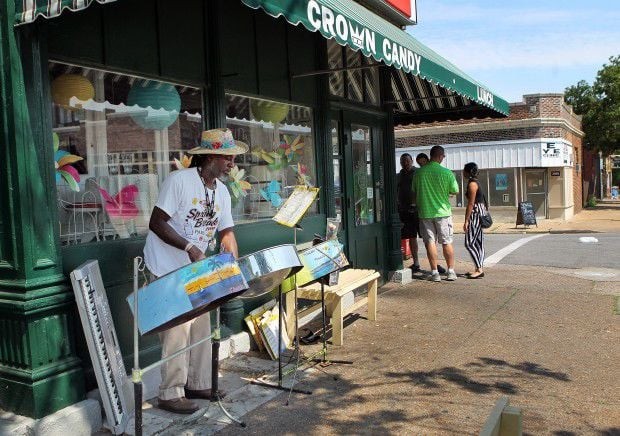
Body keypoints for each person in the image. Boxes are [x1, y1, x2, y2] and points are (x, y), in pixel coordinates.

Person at [143, 128, 247, 414]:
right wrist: (189, 246)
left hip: (197, 269)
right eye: (228, 157)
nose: (232, 164)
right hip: (167, 266)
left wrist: (231, 267)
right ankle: (170, 392)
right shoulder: (179, 181)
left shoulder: (222, 191)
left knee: (202, 327)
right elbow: (156, 222)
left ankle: (199, 383)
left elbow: (227, 232)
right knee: (177, 332)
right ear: (211, 156)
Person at [413, 145, 459, 282]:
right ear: (440, 156)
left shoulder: (419, 173)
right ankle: (450, 271)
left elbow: (414, 191)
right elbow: (455, 190)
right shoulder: (447, 173)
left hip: (425, 212)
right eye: (443, 156)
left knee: (430, 242)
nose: (443, 158)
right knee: (446, 241)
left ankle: (434, 273)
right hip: (443, 213)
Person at [414, 152, 446, 274]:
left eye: (423, 162)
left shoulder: (420, 173)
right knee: (429, 241)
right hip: (424, 211)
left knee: (434, 241)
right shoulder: (419, 174)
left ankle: (435, 266)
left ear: (428, 160)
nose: (422, 165)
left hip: (433, 211)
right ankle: (435, 266)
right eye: (419, 163)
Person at [397, 153, 421, 271]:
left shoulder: (418, 173)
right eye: (402, 161)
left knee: (428, 239)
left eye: (407, 160)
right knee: (410, 236)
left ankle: (435, 264)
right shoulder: (399, 175)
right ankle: (415, 263)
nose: (405, 163)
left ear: (412, 161)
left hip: (418, 211)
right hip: (404, 211)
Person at [463, 162, 486, 278]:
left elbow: (471, 203)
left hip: (475, 214)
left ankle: (479, 268)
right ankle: (479, 267)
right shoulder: (476, 182)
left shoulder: (472, 184)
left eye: (464, 170)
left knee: (469, 243)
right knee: (478, 242)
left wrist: (466, 220)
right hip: (480, 213)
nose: (463, 172)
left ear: (468, 171)